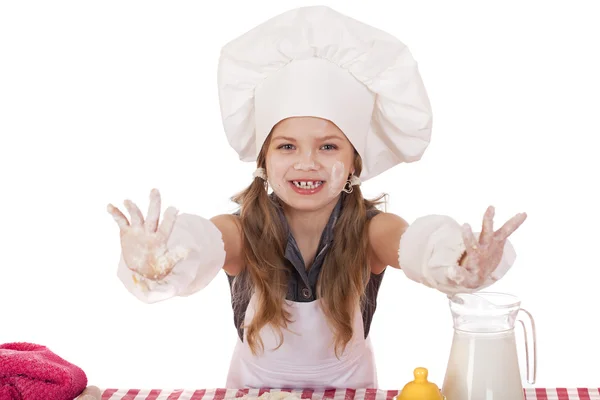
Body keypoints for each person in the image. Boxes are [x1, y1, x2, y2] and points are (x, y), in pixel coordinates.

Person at [107, 5, 527, 390]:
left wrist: (458, 261)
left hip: (351, 392)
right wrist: (161, 259)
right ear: (264, 159)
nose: (307, 163)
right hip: (253, 395)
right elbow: (201, 243)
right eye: (287, 146)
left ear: (353, 161)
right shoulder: (241, 230)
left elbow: (416, 245)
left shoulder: (370, 231)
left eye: (328, 147)